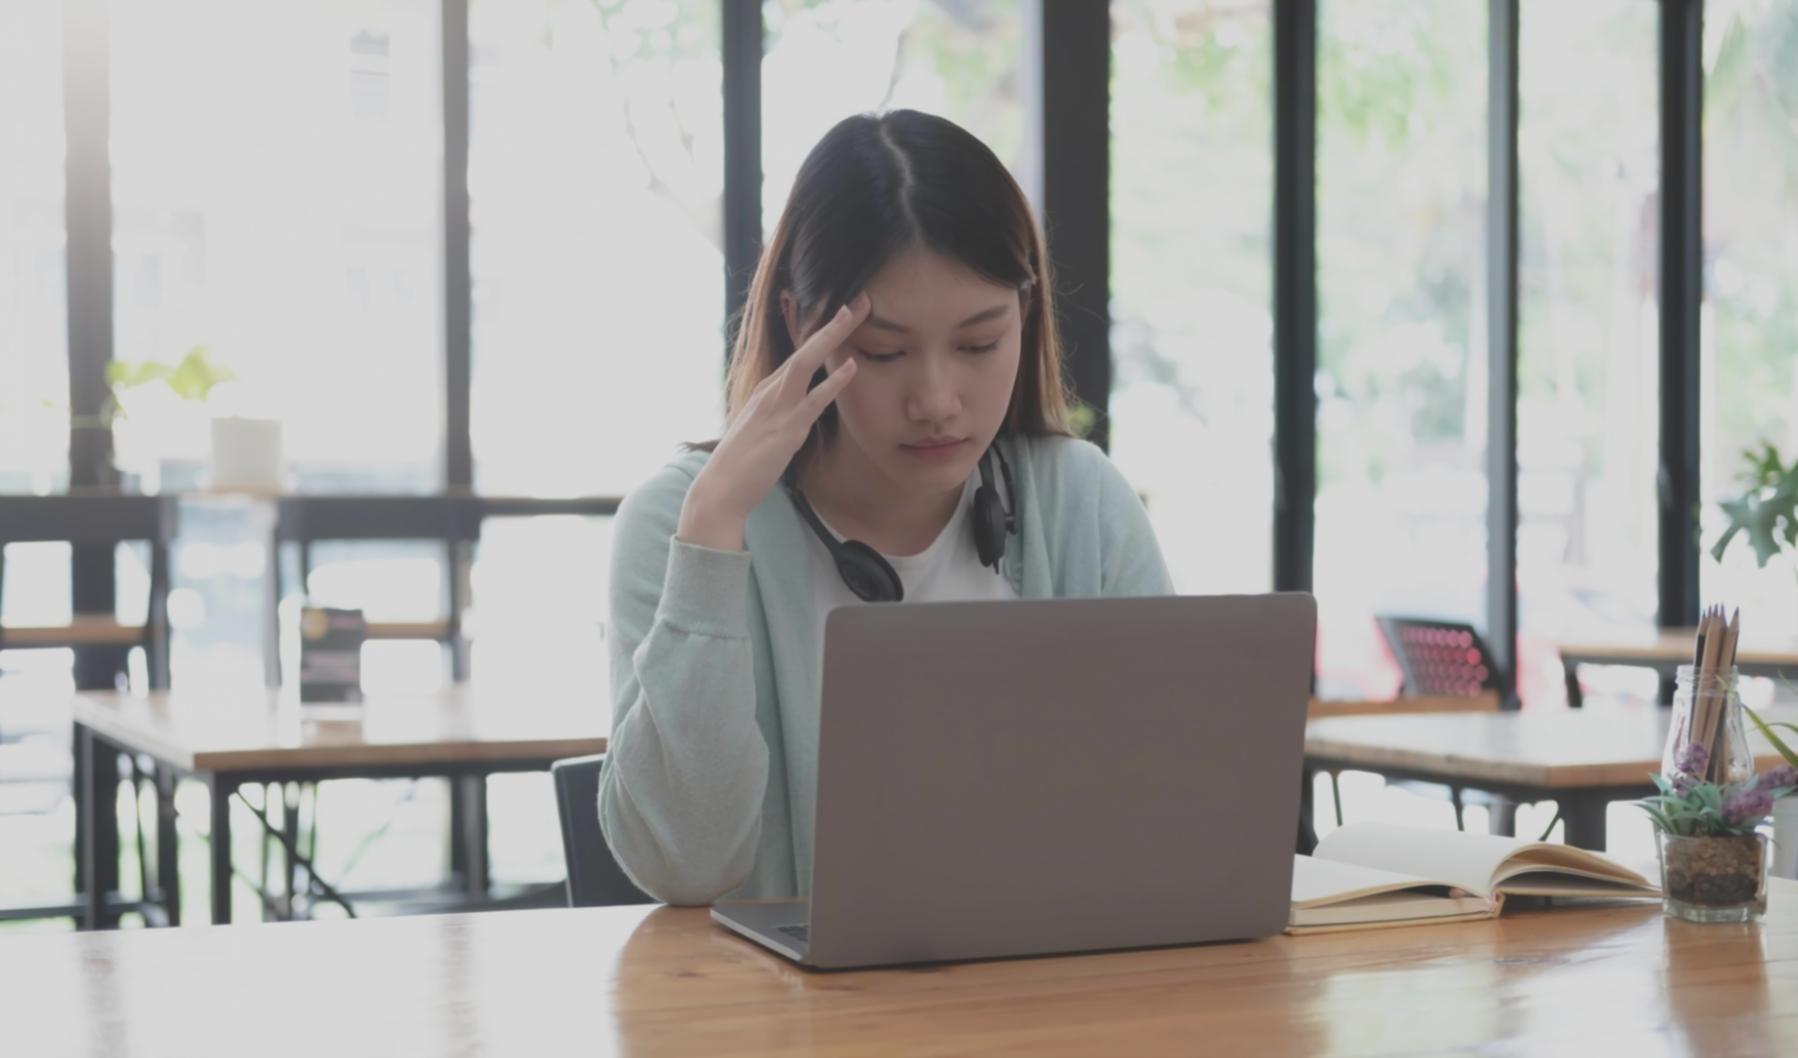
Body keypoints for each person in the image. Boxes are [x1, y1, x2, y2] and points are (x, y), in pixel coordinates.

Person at [599, 109, 1173, 905]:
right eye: (884, 352)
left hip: (1048, 1009)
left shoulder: (1083, 505)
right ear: (803, 324)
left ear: (1026, 313)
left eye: (979, 343)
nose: (937, 401)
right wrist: (711, 534)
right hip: (791, 1026)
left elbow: (1174, 819)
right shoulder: (680, 524)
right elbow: (687, 868)